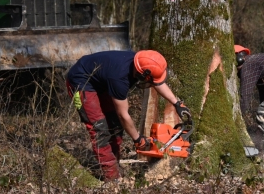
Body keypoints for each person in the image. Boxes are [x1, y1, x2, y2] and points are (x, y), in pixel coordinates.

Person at [66, 50, 191, 181]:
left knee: (115, 126)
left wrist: (177, 104)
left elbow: (157, 82)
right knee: (99, 129)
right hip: (81, 82)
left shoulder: (143, 62)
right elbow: (123, 115)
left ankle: (115, 164)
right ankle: (112, 178)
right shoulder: (120, 78)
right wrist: (138, 139)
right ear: (142, 74)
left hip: (101, 80)